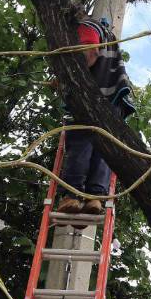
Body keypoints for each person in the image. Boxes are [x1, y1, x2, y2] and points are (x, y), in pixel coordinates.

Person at [56, 20, 135, 215]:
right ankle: (95, 197)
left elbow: (91, 49)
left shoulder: (84, 26)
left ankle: (72, 195)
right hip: (114, 98)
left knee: (80, 143)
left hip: (94, 97)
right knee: (104, 150)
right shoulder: (108, 35)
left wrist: (65, 79)